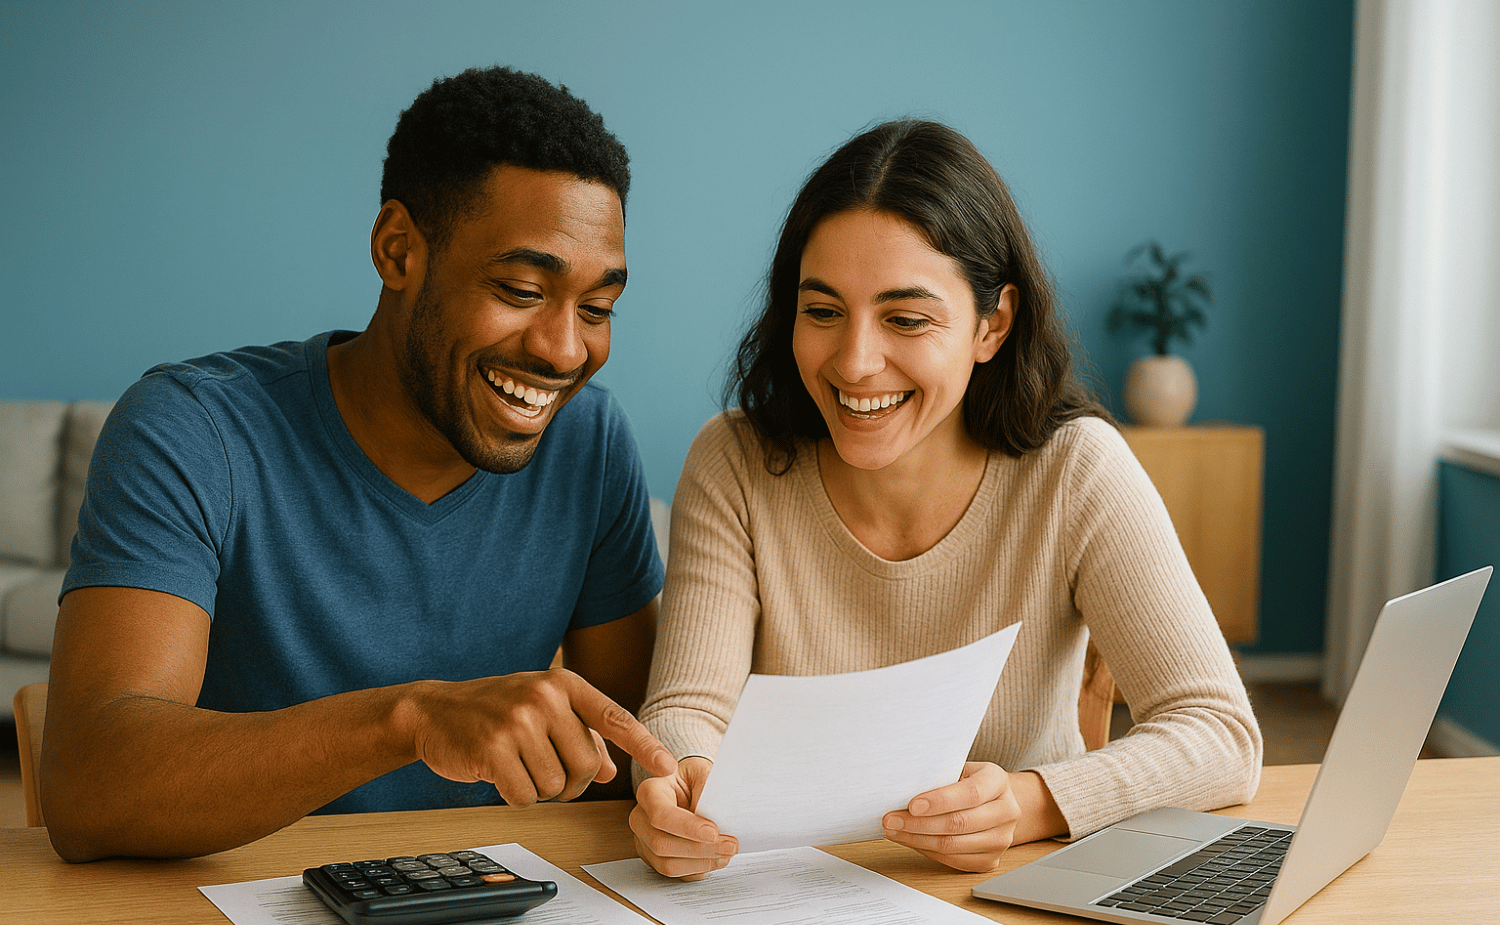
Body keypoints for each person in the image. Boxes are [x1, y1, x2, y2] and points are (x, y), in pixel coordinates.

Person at [44, 66, 678, 863]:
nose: (564, 349)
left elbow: (631, 749)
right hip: (229, 916)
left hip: (490, 915)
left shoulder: (589, 441)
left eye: (597, 308)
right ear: (398, 249)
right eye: (521, 289)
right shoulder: (194, 429)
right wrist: (409, 721)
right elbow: (90, 785)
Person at [630, 119, 1261, 877]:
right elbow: (685, 710)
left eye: (906, 319)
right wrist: (682, 780)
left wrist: (1030, 805)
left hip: (1012, 907)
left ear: (992, 325)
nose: (856, 362)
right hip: (781, 904)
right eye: (822, 311)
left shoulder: (1076, 469)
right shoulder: (733, 461)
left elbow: (1222, 735)